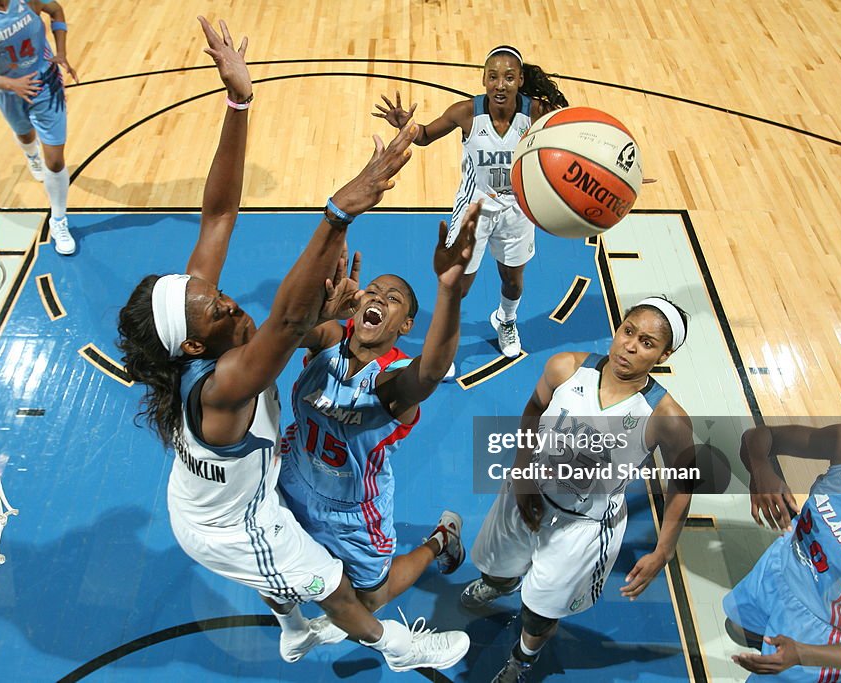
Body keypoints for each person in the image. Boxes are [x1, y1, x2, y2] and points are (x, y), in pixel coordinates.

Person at [116, 17, 469, 673]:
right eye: (213, 307)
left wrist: (238, 102)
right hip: (230, 524)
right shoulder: (224, 385)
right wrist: (338, 212)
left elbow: (218, 212)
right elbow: (282, 326)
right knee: (331, 581)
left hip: (206, 502)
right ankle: (399, 648)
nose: (222, 296)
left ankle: (289, 629)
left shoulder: (198, 338)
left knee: (280, 553)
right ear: (194, 345)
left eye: (211, 290)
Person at [463, 297, 697, 683]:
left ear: (664, 354)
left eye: (647, 343)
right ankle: (499, 583)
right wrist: (521, 474)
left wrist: (663, 550)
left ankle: (523, 659)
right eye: (628, 331)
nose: (630, 346)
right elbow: (533, 411)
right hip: (528, 493)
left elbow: (683, 484)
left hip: (583, 526)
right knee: (498, 567)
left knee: (538, 613)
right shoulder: (566, 367)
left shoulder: (666, 417)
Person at [276, 200, 482, 615]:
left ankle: (442, 538)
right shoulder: (329, 337)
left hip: (353, 511)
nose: (378, 297)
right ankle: (294, 627)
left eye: (393, 299)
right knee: (274, 567)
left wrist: (448, 290)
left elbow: (430, 372)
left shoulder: (392, 379)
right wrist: (337, 227)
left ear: (404, 325)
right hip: (292, 477)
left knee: (371, 598)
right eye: (372, 290)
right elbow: (281, 331)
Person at [373, 45, 568, 359]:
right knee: (457, 287)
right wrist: (405, 125)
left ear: (520, 80)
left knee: (513, 281)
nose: (499, 84)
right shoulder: (465, 112)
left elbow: (574, 143)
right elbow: (423, 136)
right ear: (483, 80)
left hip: (519, 208)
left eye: (508, 77)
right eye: (493, 77)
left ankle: (506, 319)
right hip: (474, 208)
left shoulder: (536, 112)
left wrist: (608, 173)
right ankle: (446, 343)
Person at [726, 416, 841, 681]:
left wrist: (802, 653)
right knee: (737, 629)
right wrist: (761, 470)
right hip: (779, 570)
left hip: (823, 636)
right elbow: (758, 437)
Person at [0, 0, 78, 255]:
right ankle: (30, 153)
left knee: (55, 161)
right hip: (7, 90)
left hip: (45, 82)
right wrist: (10, 85)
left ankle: (58, 221)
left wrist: (61, 51)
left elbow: (55, 9)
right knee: (24, 133)